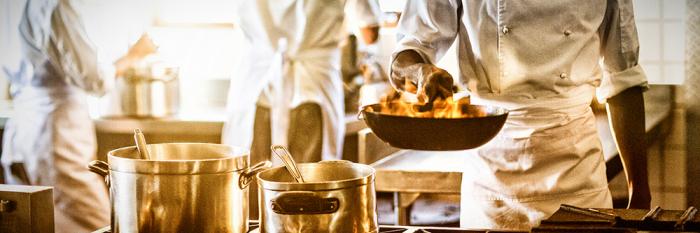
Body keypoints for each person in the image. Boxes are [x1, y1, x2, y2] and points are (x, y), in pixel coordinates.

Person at [390, 0, 650, 230]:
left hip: (577, 172)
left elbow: (623, 82)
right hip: (492, 175)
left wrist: (639, 194)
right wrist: (419, 71)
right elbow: (406, 53)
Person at [223, 0, 381, 165]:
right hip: (314, 86)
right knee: (311, 181)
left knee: (249, 178)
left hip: (255, 84)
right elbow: (370, 33)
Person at [1, 0, 111, 232]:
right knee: (98, 223)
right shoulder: (53, 4)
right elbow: (92, 78)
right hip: (56, 134)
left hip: (23, 128)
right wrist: (131, 57)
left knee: (38, 221)